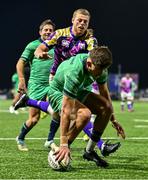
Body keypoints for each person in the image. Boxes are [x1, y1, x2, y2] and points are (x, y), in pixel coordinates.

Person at [14, 46, 125, 167]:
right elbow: (66, 110)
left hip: (77, 90)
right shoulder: (74, 72)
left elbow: (104, 92)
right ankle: (61, 152)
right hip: (57, 92)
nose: (99, 75)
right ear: (88, 64)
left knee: (106, 107)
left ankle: (89, 152)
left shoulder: (100, 67)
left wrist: (112, 119)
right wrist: (63, 144)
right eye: (97, 71)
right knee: (84, 114)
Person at [33, 8, 121, 156]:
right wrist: (40, 53)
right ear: (73, 20)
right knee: (77, 114)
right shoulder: (60, 34)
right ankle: (64, 146)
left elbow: (96, 61)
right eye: (79, 20)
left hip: (80, 79)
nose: (82, 24)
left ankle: (88, 149)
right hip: (59, 79)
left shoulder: (91, 41)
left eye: (85, 22)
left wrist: (112, 117)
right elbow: (40, 48)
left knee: (95, 110)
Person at [15, 19, 56, 151]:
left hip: (52, 85)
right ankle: (20, 138)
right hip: (36, 85)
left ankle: (50, 140)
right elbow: (20, 63)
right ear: (40, 32)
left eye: (50, 30)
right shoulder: (33, 45)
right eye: (46, 30)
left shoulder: (57, 46)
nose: (48, 32)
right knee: (34, 118)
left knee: (57, 112)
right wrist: (22, 80)